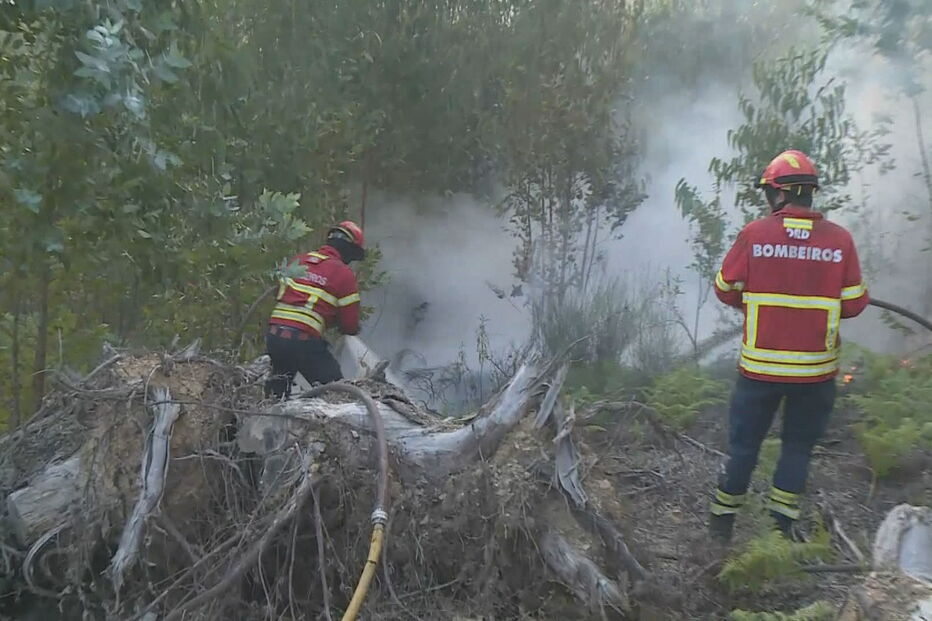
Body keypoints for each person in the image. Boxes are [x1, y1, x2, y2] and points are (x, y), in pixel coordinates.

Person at [708, 150, 869, 542]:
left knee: (744, 448)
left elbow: (724, 289)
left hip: (759, 372)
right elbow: (855, 304)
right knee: (797, 449)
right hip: (815, 374)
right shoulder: (840, 241)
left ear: (778, 195)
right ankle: (779, 535)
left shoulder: (755, 235)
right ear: (809, 193)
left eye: (768, 192)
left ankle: (720, 530)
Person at [264, 220, 365, 399]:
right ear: (349, 249)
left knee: (276, 394)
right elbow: (349, 325)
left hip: (275, 338)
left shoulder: (298, 260)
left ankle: (263, 420)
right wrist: (344, 325)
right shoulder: (343, 273)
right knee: (337, 395)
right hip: (303, 342)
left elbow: (284, 296)